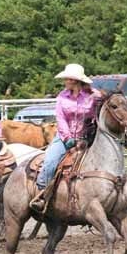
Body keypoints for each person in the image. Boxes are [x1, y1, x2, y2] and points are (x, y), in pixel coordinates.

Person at [30, 64, 101, 212]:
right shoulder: (62, 96)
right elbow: (61, 119)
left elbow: (102, 108)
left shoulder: (93, 96)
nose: (65, 81)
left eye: (67, 79)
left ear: (75, 80)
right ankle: (42, 193)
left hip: (87, 137)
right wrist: (68, 138)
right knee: (49, 162)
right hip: (64, 137)